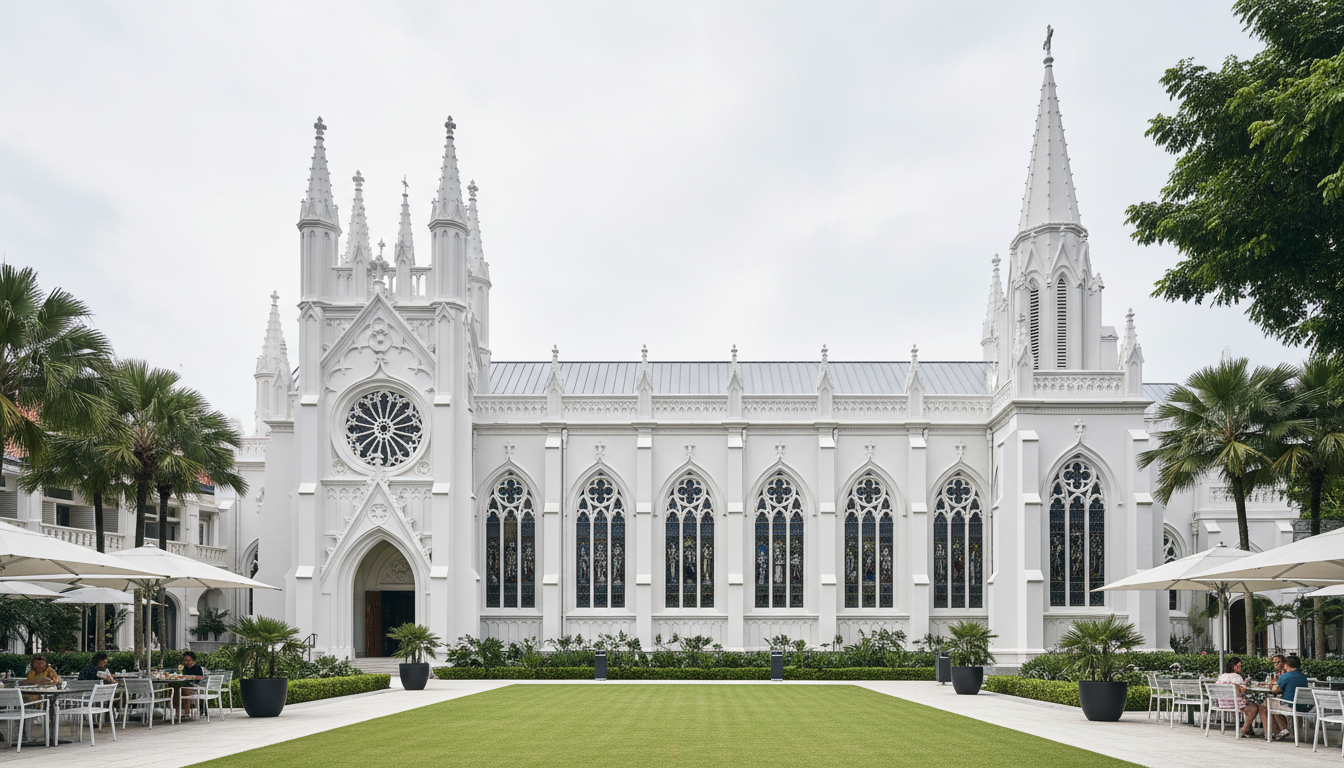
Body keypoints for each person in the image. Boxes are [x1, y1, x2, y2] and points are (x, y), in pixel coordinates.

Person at [1264, 655, 1310, 741]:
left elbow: (1274, 690)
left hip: (1290, 705)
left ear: (1286, 665)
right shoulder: (1303, 677)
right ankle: (1283, 730)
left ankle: (1283, 730)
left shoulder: (1285, 676)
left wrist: (1273, 682)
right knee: (1275, 704)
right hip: (1302, 706)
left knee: (1269, 703)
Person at [1215, 656, 1261, 737]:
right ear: (1234, 667)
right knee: (1254, 707)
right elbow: (1242, 691)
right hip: (1235, 704)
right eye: (1239, 666)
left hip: (1223, 704)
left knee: (1249, 706)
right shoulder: (1237, 677)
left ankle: (1249, 730)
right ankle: (1245, 729)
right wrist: (1245, 684)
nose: (1240, 668)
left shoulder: (1221, 676)